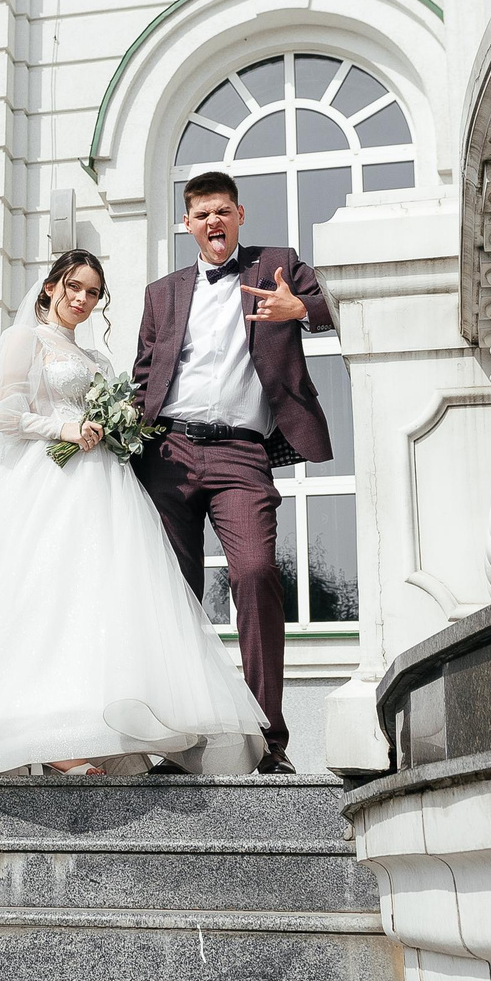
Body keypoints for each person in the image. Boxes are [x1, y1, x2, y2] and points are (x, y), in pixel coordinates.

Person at [0, 249, 267, 778]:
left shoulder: (96, 360)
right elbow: (0, 416)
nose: (83, 300)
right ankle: (50, 744)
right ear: (51, 287)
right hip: (48, 483)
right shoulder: (25, 339)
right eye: (75, 287)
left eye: (93, 293)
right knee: (40, 602)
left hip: (104, 490)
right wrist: (63, 429)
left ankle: (95, 735)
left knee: (96, 610)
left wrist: (116, 433)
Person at [132, 170, 337, 775]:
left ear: (240, 215)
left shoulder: (276, 264)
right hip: (167, 453)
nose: (213, 223)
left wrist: (301, 308)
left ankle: (269, 739)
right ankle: (175, 740)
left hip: (241, 453)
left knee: (254, 573)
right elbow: (145, 375)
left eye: (222, 212)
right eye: (201, 215)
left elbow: (341, 303)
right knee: (173, 593)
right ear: (187, 224)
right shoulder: (162, 293)